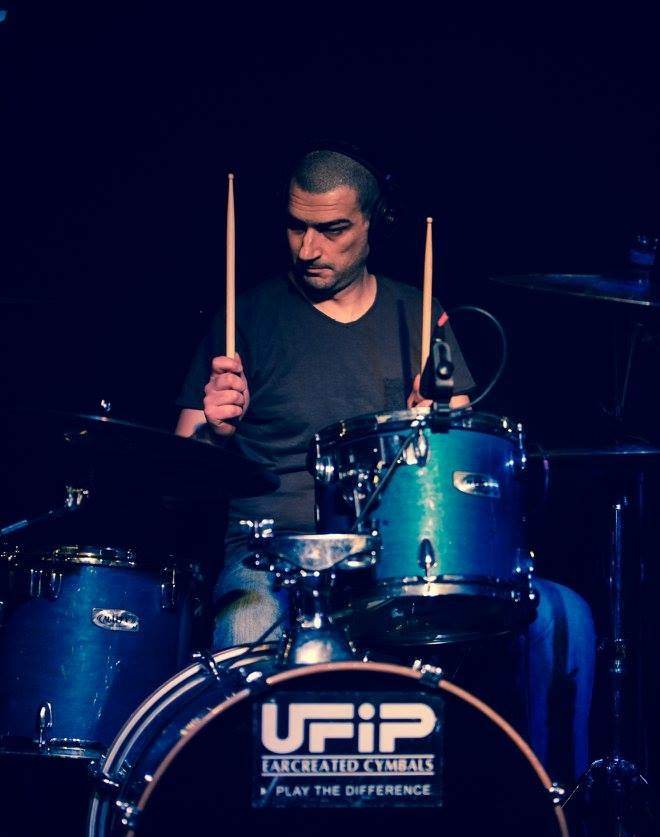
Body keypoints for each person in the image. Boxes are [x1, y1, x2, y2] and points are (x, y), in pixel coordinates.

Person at [175, 147, 595, 785]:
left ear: (373, 224)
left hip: (396, 558)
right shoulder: (245, 317)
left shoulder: (417, 313)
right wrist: (214, 425)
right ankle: (253, 819)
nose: (308, 248)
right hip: (275, 556)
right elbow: (180, 465)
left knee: (561, 620)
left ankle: (543, 812)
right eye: (296, 226)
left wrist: (440, 416)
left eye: (332, 229)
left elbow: (462, 465)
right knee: (248, 624)